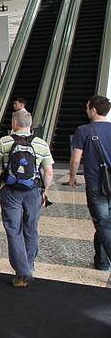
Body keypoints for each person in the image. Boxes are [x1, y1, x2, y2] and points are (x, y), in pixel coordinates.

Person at [0, 109, 54, 287]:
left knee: (13, 229)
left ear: (14, 124)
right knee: (31, 229)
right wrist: (44, 192)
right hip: (34, 191)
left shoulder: (5, 141)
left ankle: (22, 273)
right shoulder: (41, 144)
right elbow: (48, 172)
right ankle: (28, 267)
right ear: (30, 125)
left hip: (10, 191)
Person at [69, 95, 111, 271]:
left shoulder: (83, 130)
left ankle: (104, 260)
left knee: (102, 224)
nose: (86, 110)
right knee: (104, 224)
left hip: (95, 183)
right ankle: (101, 262)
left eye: (87, 107)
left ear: (93, 109)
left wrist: (72, 176)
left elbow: (75, 159)